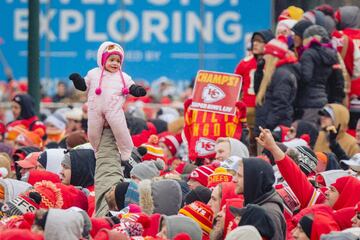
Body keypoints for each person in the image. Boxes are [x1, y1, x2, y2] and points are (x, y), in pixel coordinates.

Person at [69, 41, 146, 161]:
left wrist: (137, 90)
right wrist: (77, 80)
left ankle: (127, 151)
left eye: (118, 61)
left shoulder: (123, 76)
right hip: (95, 108)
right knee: (93, 133)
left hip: (113, 109)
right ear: (103, 59)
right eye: (112, 60)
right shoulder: (93, 73)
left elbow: (131, 86)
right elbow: (84, 86)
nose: (115, 63)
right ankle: (96, 150)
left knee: (120, 130)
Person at [232, 154, 286, 239]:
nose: (234, 180)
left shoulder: (269, 212)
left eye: (239, 176)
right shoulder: (256, 202)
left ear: (253, 180)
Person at [254, 37, 299, 136]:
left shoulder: (282, 75)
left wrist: (267, 127)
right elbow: (259, 93)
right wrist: (259, 71)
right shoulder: (273, 73)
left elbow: (280, 105)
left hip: (273, 131)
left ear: (273, 56)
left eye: (266, 54)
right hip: (266, 130)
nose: (264, 57)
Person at [295, 25, 340, 123]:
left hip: (308, 102)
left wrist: (296, 69)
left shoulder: (308, 53)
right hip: (323, 99)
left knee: (307, 133)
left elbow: (305, 77)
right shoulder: (330, 54)